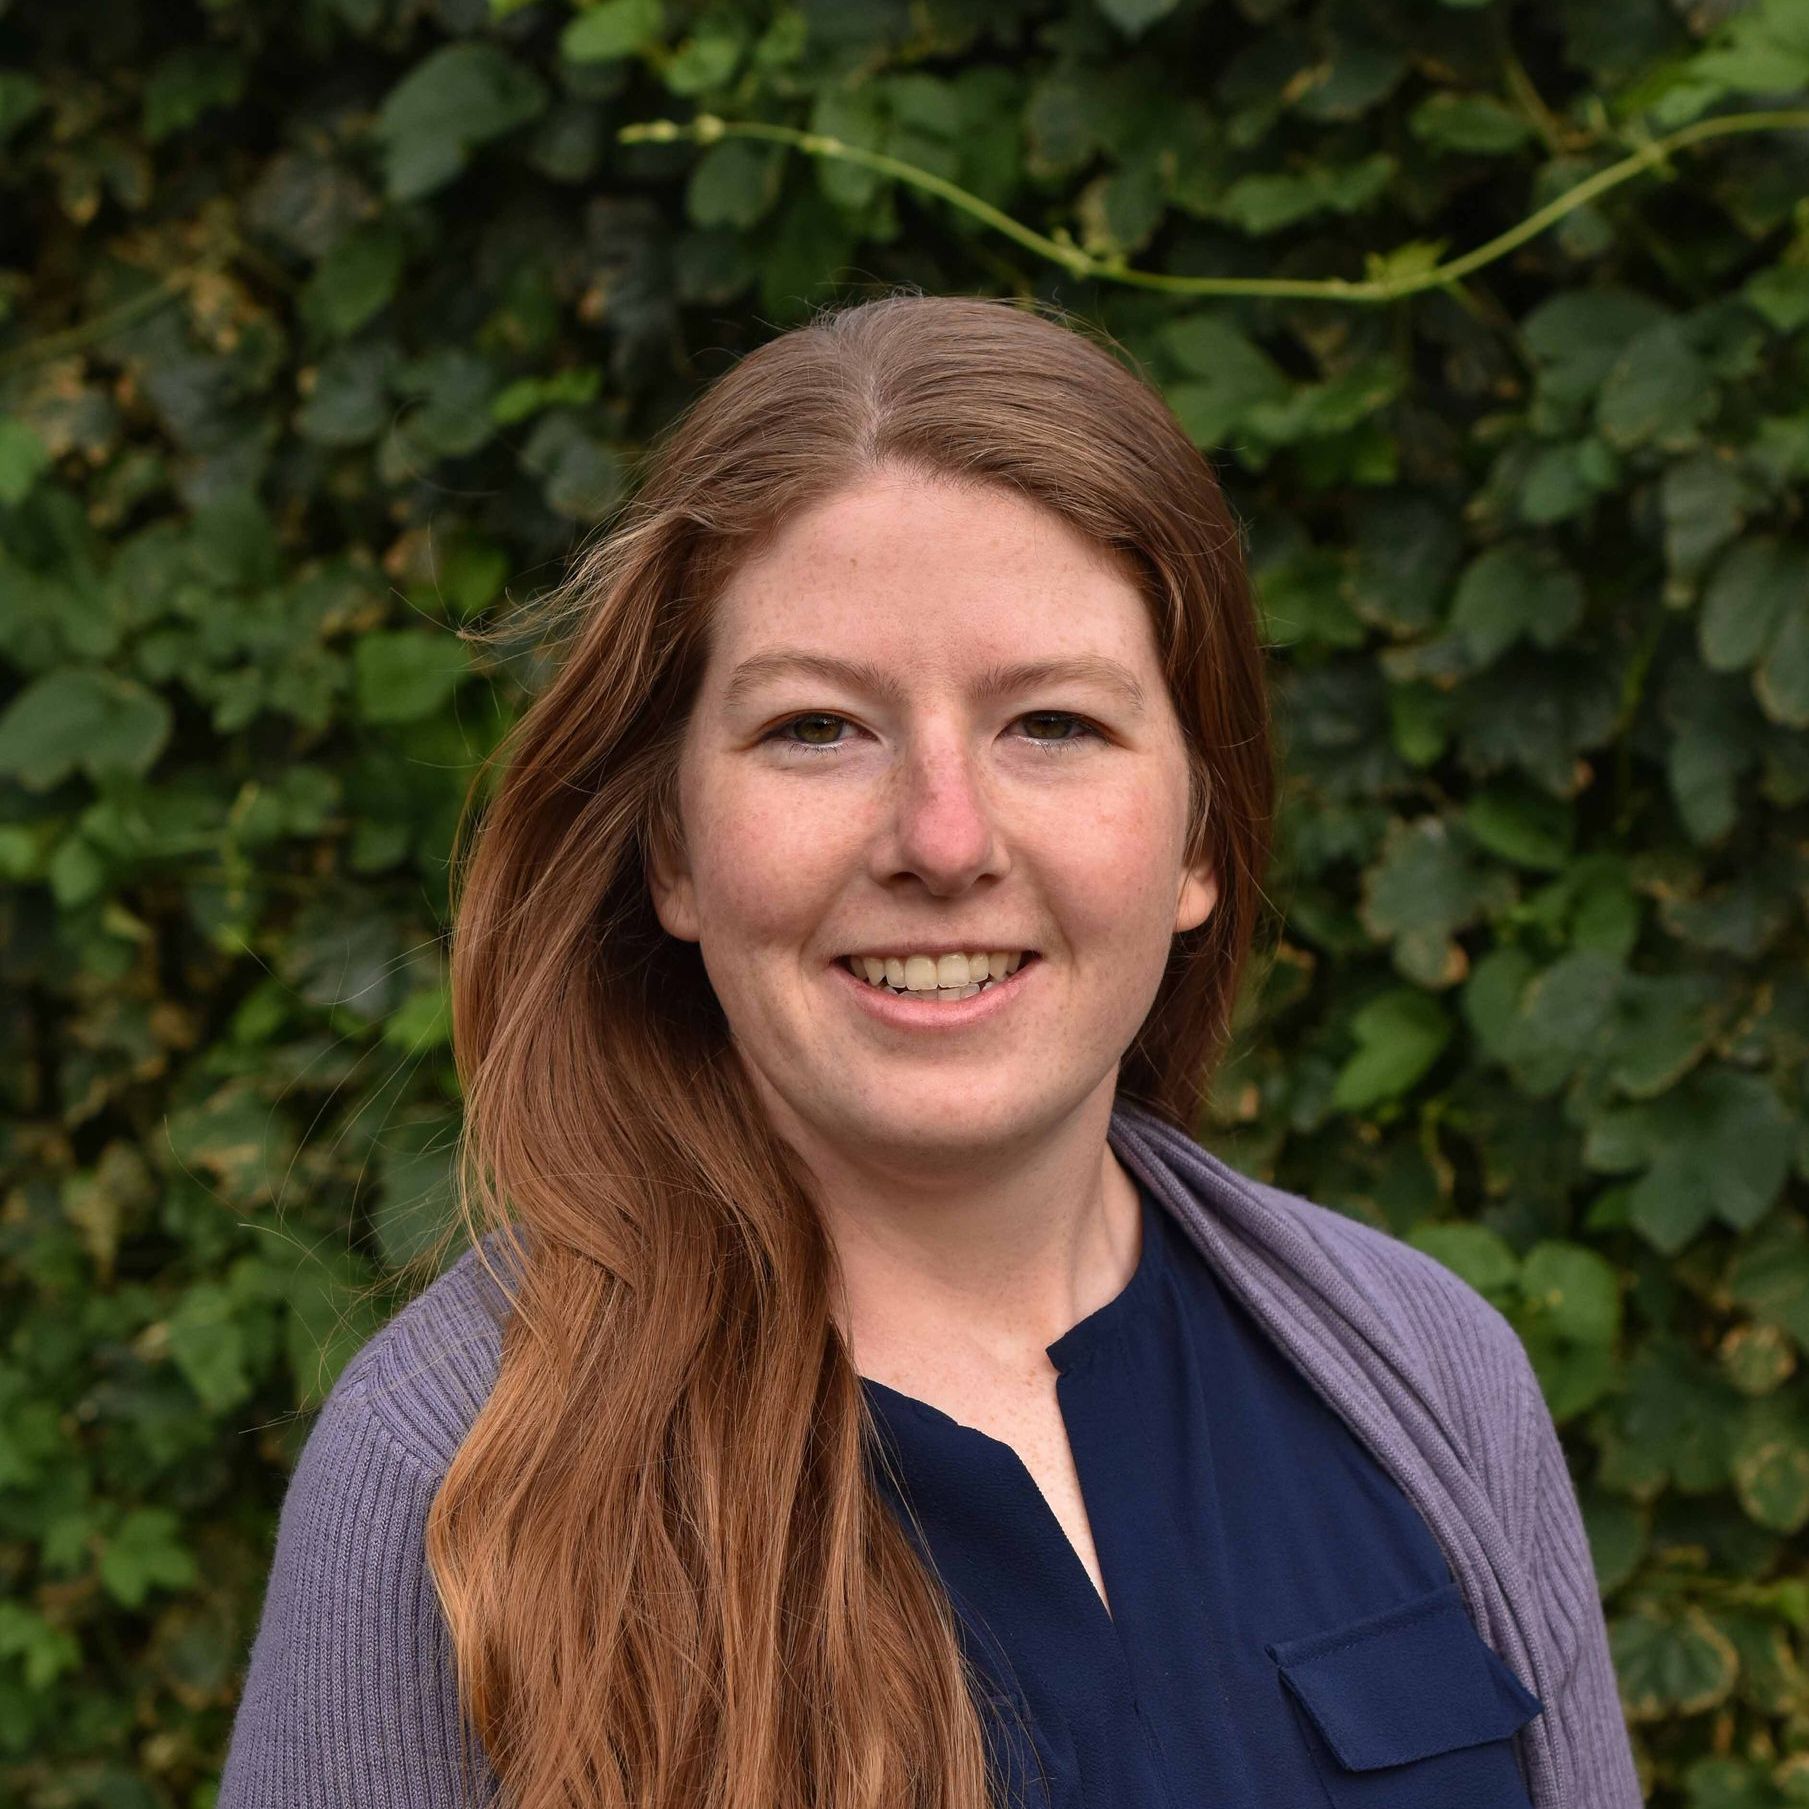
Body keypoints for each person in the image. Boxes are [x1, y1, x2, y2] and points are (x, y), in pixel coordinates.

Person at [215, 292, 1642, 1809]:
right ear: (673, 852)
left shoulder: (1424, 1374)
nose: (942, 840)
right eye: (819, 729)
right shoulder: (453, 1462)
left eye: (1052, 724)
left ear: (1198, 838)